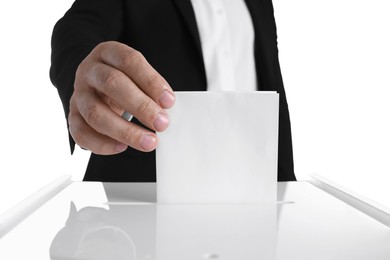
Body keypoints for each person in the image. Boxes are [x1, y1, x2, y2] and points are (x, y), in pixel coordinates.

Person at [50, 0, 296, 182]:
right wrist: (85, 78)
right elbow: (75, 30)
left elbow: (271, 81)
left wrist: (286, 178)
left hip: (252, 185)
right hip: (145, 198)